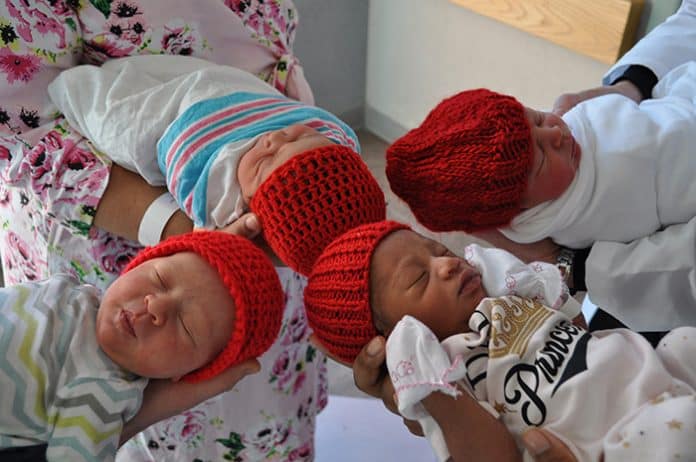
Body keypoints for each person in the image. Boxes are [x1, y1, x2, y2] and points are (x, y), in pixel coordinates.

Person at [0, 1, 333, 460]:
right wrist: (200, 236)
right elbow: (27, 132)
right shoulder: (78, 344)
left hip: (261, 243)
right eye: (160, 285)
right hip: (117, 235)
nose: (156, 306)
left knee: (252, 426)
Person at [305, 220, 696, 462]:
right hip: (621, 437)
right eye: (419, 278)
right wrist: (434, 392)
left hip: (648, 373)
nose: (446, 263)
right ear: (393, 339)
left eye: (438, 250)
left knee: (683, 340)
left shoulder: (500, 297)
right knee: (679, 432)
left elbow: (577, 325)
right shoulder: (447, 374)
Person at [0, 230, 284, 462]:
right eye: (159, 278)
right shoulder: (79, 295)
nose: (156, 305)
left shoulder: (104, 393)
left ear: (184, 374)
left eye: (187, 326)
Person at [385, 61, 696, 250]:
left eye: (536, 118)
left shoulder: (557, 167)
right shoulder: (581, 212)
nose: (557, 134)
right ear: (521, 210)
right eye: (543, 158)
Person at [47, 54, 359, 232]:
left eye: (266, 161)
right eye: (297, 134)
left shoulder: (218, 192)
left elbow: (210, 227)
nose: (274, 137)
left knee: (122, 121)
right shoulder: (316, 137)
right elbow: (21, 117)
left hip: (270, 268)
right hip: (108, 229)